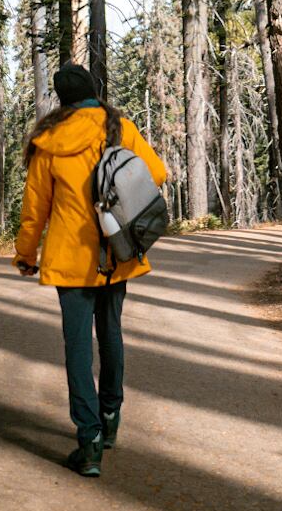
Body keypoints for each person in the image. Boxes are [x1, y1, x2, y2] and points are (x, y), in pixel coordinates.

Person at [14, 62, 169, 476]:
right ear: (93, 91)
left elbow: (35, 210)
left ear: (61, 101)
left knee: (78, 346)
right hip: (115, 249)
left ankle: (90, 440)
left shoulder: (48, 140)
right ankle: (112, 415)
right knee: (112, 333)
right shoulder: (119, 128)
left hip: (69, 258)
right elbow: (156, 172)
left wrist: (26, 255)